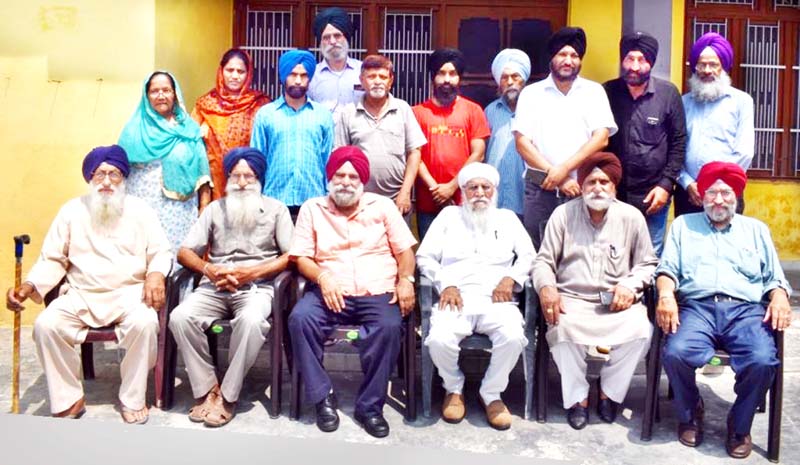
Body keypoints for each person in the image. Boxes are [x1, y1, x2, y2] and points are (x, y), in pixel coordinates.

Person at [5, 146, 172, 425]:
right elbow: (53, 259)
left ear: (124, 178)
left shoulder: (141, 211)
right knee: (46, 326)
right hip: (81, 294)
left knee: (145, 325)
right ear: (90, 177)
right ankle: (68, 398)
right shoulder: (71, 210)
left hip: (128, 295)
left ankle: (132, 398)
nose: (107, 181)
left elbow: (161, 252)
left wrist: (155, 274)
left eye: (114, 174)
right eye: (100, 174)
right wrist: (29, 285)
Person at [656, 161, 791, 459]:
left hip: (745, 311)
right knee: (675, 352)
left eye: (726, 193)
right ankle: (691, 412)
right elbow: (667, 270)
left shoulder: (756, 230)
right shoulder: (682, 226)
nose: (719, 199)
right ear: (701, 196)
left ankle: (739, 424)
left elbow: (775, 278)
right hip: (697, 309)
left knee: (762, 360)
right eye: (712, 192)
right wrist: (666, 295)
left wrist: (780, 296)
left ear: (737, 196)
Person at [287, 146, 417, 438]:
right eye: (339, 175)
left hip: (377, 290)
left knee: (389, 326)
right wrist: (322, 276)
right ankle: (323, 398)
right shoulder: (312, 208)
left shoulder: (382, 206)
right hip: (330, 290)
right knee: (300, 319)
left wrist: (406, 279)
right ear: (330, 178)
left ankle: (369, 407)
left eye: (352, 176)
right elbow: (301, 257)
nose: (345, 181)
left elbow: (405, 251)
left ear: (363, 181)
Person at [168, 147, 293, 428]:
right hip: (214, 286)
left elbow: (291, 256)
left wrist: (252, 273)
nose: (242, 182)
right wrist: (208, 269)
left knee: (251, 321)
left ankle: (227, 395)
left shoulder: (276, 209)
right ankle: (207, 388)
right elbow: (185, 252)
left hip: (256, 288)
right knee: (180, 316)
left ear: (259, 178)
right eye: (236, 175)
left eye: (249, 176)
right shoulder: (214, 209)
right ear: (227, 178)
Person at [532, 152, 657, 430]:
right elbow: (543, 261)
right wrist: (547, 287)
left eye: (604, 182)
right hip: (572, 301)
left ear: (614, 187)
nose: (597, 188)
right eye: (591, 182)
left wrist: (630, 284)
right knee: (561, 330)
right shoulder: (563, 214)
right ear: (582, 185)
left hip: (617, 303)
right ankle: (578, 399)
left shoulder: (631, 217)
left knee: (641, 332)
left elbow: (648, 263)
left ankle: (608, 392)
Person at [417, 163, 535, 430]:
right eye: (473, 187)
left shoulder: (507, 219)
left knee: (514, 337)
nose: (479, 193)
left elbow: (529, 255)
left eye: (485, 187)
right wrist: (445, 283)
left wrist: (512, 278)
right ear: (463, 192)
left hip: (497, 299)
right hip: (454, 297)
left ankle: (491, 393)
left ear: (494, 191)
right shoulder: (448, 217)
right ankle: (453, 388)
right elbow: (424, 256)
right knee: (438, 339)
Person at [513, 27, 617, 249]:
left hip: (582, 186)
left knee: (581, 249)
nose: (568, 60)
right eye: (562, 54)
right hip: (540, 186)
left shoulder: (594, 91)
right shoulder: (531, 94)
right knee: (539, 250)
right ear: (552, 57)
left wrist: (565, 170)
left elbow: (601, 138)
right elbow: (522, 143)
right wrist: (559, 177)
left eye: (574, 56)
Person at [604, 32, 686, 255]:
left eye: (642, 60)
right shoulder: (607, 92)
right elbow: (598, 142)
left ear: (651, 62)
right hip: (614, 194)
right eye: (630, 59)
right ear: (622, 60)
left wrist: (665, 185)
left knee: (649, 255)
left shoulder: (668, 94)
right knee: (613, 252)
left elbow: (679, 142)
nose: (635, 66)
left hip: (653, 195)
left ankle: (647, 291)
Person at [118, 71, 211, 254]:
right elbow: (119, 170)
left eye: (166, 90)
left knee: (177, 258)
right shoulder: (134, 129)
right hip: (142, 206)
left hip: (179, 211)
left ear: (174, 94)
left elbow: (202, 169)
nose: (161, 95)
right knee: (144, 255)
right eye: (154, 91)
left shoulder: (188, 128)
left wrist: (204, 206)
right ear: (147, 96)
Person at [335, 54, 427, 217]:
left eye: (383, 77)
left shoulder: (403, 109)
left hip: (396, 201)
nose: (377, 81)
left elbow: (415, 152)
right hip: (358, 201)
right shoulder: (348, 112)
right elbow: (341, 158)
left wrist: (405, 193)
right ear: (362, 80)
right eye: (371, 76)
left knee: (396, 243)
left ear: (390, 81)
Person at [413, 48, 491, 238]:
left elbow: (478, 153)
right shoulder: (417, 113)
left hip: (465, 200)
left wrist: (451, 187)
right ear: (433, 77)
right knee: (429, 259)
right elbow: (414, 155)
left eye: (452, 74)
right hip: (428, 202)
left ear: (459, 78)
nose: (447, 79)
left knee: (464, 257)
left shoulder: (473, 110)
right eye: (441, 73)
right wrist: (436, 189)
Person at [676, 32, 754, 217]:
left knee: (726, 243)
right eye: (701, 64)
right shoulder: (683, 103)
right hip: (689, 193)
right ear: (695, 67)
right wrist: (687, 183)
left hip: (726, 192)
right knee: (690, 244)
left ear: (724, 68)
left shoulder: (742, 101)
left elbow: (744, 152)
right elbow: (674, 150)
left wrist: (714, 185)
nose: (707, 70)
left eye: (713, 65)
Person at [250, 50, 334, 219]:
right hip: (273, 201)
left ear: (309, 78)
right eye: (292, 74)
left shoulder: (323, 115)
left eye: (303, 75)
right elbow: (256, 160)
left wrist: (329, 199)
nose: (298, 81)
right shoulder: (266, 114)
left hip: (314, 202)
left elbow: (328, 160)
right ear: (283, 76)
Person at [192, 48, 271, 200]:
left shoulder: (261, 105)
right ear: (221, 71)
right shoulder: (205, 105)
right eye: (230, 70)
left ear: (248, 74)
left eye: (240, 71)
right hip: (214, 185)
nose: (235, 76)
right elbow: (192, 143)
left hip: (249, 180)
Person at [485, 49, 531, 218]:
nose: (510, 82)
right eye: (505, 77)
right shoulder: (490, 111)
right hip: (492, 202)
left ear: (524, 80)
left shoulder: (536, 110)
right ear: (499, 82)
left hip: (526, 201)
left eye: (515, 76)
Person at [308, 7, 364, 115]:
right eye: (326, 37)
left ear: (346, 38)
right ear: (321, 42)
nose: (332, 41)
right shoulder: (312, 75)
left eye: (337, 36)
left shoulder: (362, 71)